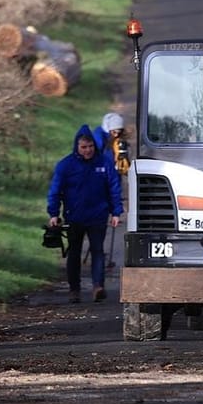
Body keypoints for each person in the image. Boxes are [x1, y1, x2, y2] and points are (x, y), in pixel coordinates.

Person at [47, 124, 124, 303]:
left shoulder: (104, 163)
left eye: (90, 147)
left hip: (98, 215)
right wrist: (53, 213)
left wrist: (116, 212)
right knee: (74, 252)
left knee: (97, 250)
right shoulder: (66, 165)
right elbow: (55, 191)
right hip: (74, 216)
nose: (87, 150)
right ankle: (74, 290)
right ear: (77, 147)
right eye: (83, 147)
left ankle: (98, 286)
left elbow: (114, 187)